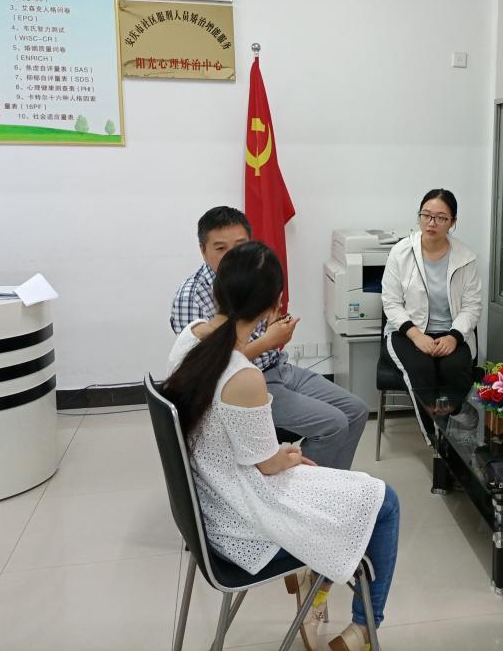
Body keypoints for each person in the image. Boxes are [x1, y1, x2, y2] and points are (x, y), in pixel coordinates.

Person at [164, 242, 399, 651]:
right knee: (385, 502)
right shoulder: (243, 377)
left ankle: (329, 593)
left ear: (218, 289)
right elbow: (268, 464)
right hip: (241, 523)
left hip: (210, 507)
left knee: (351, 484)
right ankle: (364, 628)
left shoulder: (191, 338)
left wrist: (282, 456)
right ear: (274, 305)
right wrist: (289, 454)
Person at [170, 206, 369, 471]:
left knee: (357, 410)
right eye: (220, 248)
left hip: (278, 367)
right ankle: (310, 488)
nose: (233, 256)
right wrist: (267, 340)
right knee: (334, 424)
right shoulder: (191, 297)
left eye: (240, 246)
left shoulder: (252, 281)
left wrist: (272, 333)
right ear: (202, 250)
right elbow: (207, 371)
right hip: (243, 386)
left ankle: (332, 479)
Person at [382, 189, 482, 441]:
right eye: (425, 215)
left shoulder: (465, 258)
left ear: (453, 222)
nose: (431, 223)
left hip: (450, 332)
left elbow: (471, 306)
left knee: (455, 367)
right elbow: (391, 303)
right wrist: (416, 336)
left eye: (440, 218)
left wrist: (454, 337)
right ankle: (436, 441)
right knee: (421, 368)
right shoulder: (401, 253)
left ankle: (456, 421)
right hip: (407, 332)